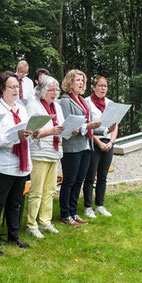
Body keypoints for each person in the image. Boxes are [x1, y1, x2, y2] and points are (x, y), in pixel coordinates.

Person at [0, 71, 32, 255]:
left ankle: (13, 235)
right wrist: (14, 136)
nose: (16, 90)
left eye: (18, 87)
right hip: (3, 164)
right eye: (12, 87)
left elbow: (26, 131)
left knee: (15, 203)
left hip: (21, 163)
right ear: (2, 89)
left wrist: (30, 134)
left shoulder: (22, 108)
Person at [58, 69, 101, 226]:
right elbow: (69, 126)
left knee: (79, 181)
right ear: (69, 82)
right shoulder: (65, 101)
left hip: (86, 145)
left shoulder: (83, 100)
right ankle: (65, 214)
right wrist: (87, 126)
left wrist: (103, 129)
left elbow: (87, 125)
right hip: (72, 146)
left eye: (83, 80)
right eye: (78, 80)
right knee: (69, 181)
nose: (81, 83)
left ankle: (73, 212)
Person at [25, 76, 65, 239]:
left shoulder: (57, 106)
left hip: (54, 151)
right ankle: (31, 224)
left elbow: (61, 125)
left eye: (56, 90)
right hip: (39, 152)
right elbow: (30, 132)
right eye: (51, 90)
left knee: (50, 189)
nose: (54, 93)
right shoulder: (33, 106)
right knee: (37, 190)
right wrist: (51, 131)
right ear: (41, 90)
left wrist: (69, 130)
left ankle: (45, 221)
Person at [83, 76, 118, 218]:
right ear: (93, 86)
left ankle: (100, 205)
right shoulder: (86, 102)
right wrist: (99, 142)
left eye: (105, 86)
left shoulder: (111, 104)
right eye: (100, 85)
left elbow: (115, 127)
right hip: (93, 141)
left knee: (103, 176)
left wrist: (111, 142)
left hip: (108, 143)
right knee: (90, 176)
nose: (103, 88)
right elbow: (87, 127)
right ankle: (87, 206)